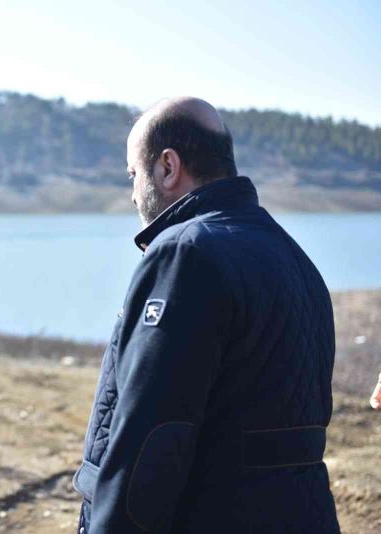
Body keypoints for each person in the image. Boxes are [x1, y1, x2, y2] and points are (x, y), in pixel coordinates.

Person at [73, 97, 339, 533]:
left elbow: (151, 437)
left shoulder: (186, 253)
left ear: (167, 167)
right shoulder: (295, 259)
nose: (132, 193)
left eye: (133, 175)